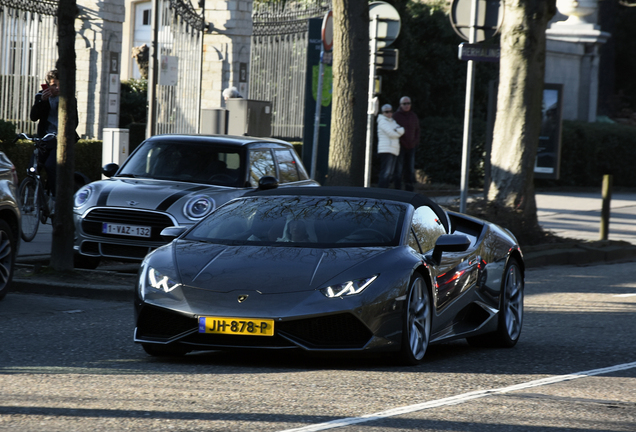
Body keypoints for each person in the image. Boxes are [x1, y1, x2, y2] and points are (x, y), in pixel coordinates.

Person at [29, 68, 79, 200]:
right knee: (33, 168)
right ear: (47, 85)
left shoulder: (69, 99)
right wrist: (43, 102)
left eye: (59, 85)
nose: (57, 88)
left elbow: (74, 122)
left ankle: (56, 198)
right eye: (53, 85)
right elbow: (34, 117)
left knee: (51, 165)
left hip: (60, 140)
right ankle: (35, 195)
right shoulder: (40, 97)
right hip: (45, 138)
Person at [392, 96, 420, 191]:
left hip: (411, 146)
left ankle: (409, 190)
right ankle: (397, 190)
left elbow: (417, 130)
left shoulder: (413, 116)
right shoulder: (396, 116)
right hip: (400, 147)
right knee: (398, 169)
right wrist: (401, 142)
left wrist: (415, 142)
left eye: (408, 103)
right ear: (400, 105)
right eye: (404, 104)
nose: (407, 105)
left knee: (410, 169)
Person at [376, 104, 404, 188]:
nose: (389, 113)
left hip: (394, 150)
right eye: (386, 112)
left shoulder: (392, 121)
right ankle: (381, 191)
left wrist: (397, 131)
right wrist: (397, 131)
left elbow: (402, 130)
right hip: (386, 149)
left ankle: (386, 190)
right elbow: (391, 133)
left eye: (391, 111)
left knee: (390, 173)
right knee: (386, 172)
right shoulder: (382, 121)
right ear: (383, 112)